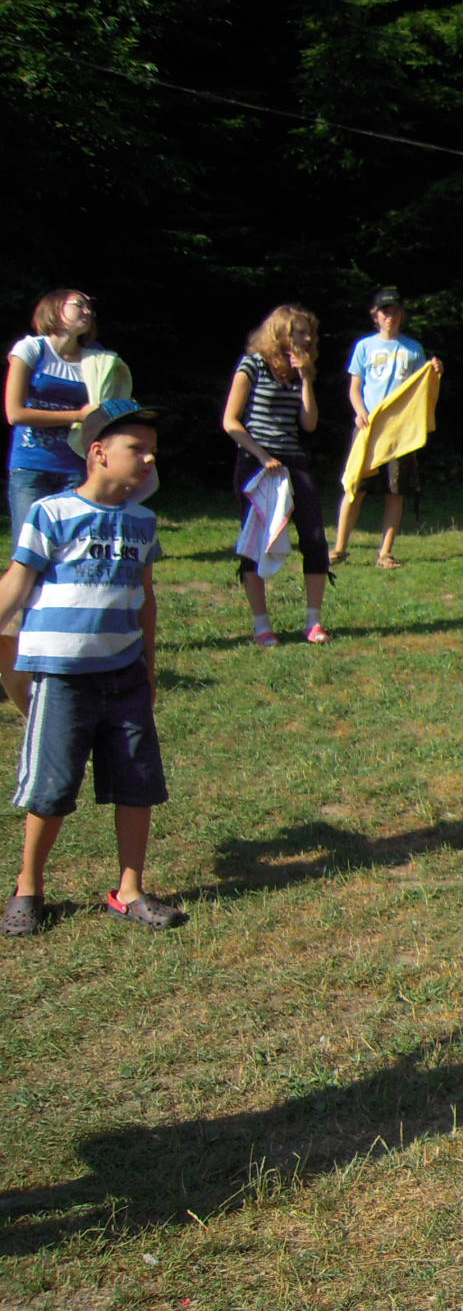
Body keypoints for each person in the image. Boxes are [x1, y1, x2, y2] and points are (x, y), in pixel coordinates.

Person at [1, 400, 185, 937]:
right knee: (51, 788)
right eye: (137, 449)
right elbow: (17, 582)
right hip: (62, 677)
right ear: (99, 453)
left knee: (137, 783)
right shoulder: (51, 513)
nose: (149, 459)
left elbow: (146, 600)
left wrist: (149, 667)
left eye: (153, 450)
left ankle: (129, 890)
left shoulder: (143, 522)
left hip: (124, 675)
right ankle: (28, 888)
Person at [4, 289, 122, 713]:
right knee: (29, 560)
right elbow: (15, 412)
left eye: (90, 306)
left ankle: (64, 648)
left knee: (72, 560)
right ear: (55, 310)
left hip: (77, 469)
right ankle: (13, 648)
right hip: (32, 468)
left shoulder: (97, 359)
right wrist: (77, 415)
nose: (87, 311)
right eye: (78, 305)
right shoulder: (31, 350)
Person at [223, 305, 331, 646]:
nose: (307, 338)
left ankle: (313, 622)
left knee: (314, 537)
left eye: (310, 332)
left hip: (292, 460)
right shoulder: (252, 365)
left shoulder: (300, 372)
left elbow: (309, 424)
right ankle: (261, 626)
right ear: (281, 333)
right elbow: (230, 421)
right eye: (300, 332)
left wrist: (306, 378)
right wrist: (262, 455)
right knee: (255, 542)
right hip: (256, 462)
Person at [335, 288, 438, 568]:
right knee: (355, 486)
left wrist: (435, 372)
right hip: (369, 427)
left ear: (401, 315)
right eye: (384, 312)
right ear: (375, 315)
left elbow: (422, 389)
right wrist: (360, 412)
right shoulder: (364, 347)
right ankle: (339, 549)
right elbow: (355, 387)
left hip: (401, 431)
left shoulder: (413, 349)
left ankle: (385, 553)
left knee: (396, 491)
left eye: (394, 311)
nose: (389, 317)